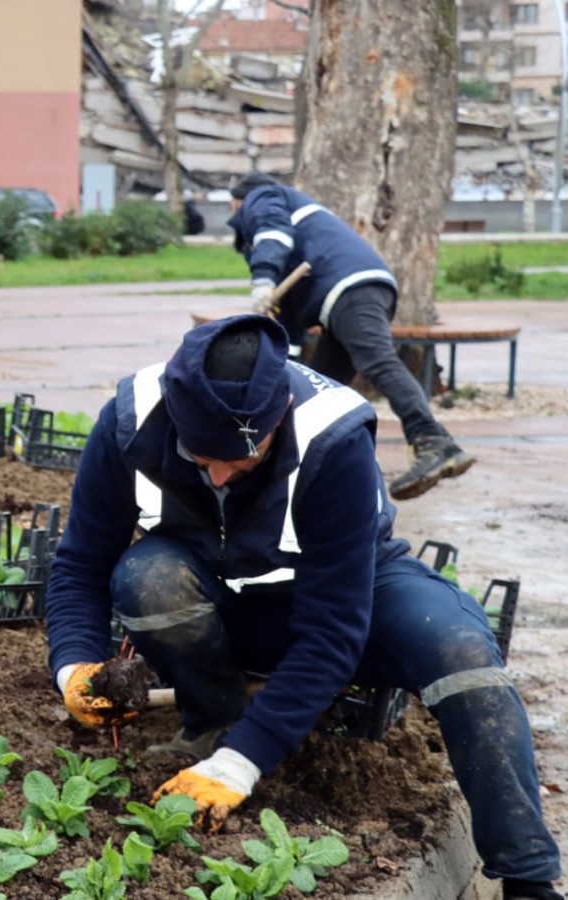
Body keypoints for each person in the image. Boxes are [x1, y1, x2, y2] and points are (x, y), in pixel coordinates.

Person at [47, 315, 562, 900]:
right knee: (147, 576)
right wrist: (73, 666)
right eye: (200, 456)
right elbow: (81, 564)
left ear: (279, 416)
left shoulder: (333, 438)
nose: (218, 474)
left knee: (462, 652)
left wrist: (244, 766)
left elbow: (332, 632)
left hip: (348, 596)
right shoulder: (128, 422)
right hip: (216, 599)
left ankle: (525, 875)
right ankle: (214, 725)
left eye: (241, 461)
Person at [226, 172, 474, 501]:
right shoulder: (284, 220)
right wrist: (283, 366)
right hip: (349, 291)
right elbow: (288, 321)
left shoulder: (265, 196)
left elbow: (273, 234)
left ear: (239, 201)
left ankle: (433, 440)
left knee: (377, 361)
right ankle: (311, 472)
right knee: (320, 390)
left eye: (234, 208)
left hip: (350, 287)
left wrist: (263, 279)